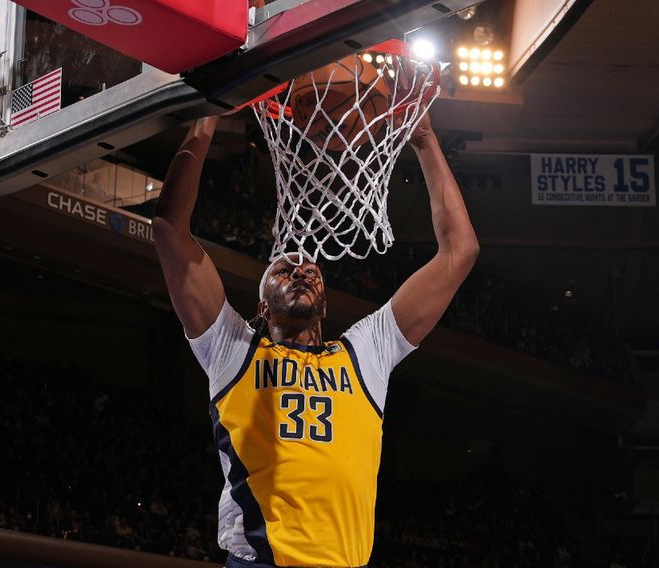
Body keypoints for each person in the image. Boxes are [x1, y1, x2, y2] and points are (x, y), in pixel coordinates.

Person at [153, 112, 478, 568]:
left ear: (325, 305)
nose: (301, 270)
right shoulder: (234, 349)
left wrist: (423, 136)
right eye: (283, 269)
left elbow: (459, 251)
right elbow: (169, 229)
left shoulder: (365, 351)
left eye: (311, 271)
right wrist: (209, 116)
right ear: (262, 308)